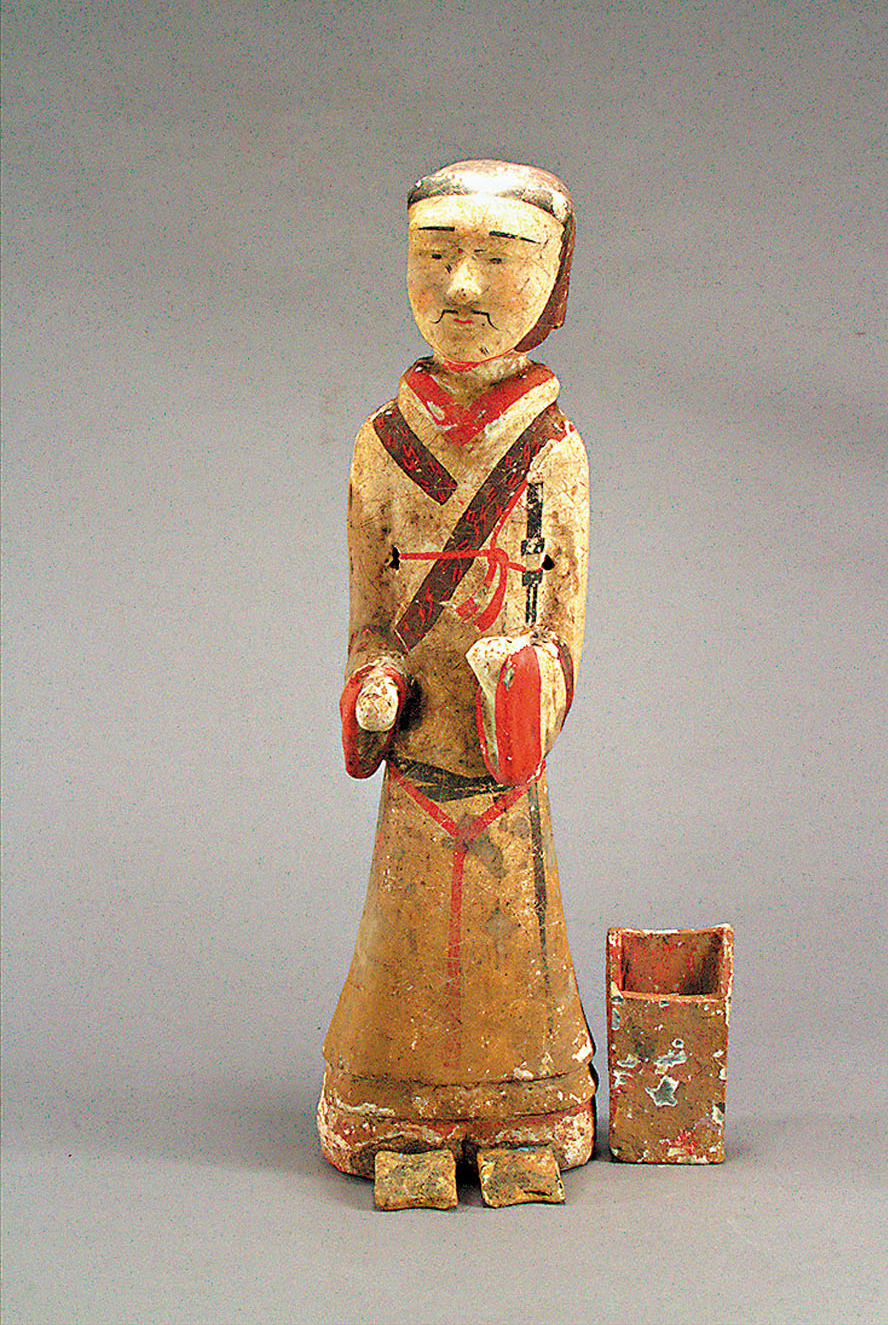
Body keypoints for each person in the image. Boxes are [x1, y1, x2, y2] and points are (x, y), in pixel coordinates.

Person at [318, 161, 595, 1183]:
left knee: (516, 937)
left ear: (553, 282)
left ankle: (531, 1112)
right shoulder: (381, 446)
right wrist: (374, 687)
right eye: (434, 256)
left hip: (502, 769)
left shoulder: (553, 449)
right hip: (417, 771)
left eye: (499, 258)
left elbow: (564, 629)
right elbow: (367, 622)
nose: (462, 287)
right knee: (404, 943)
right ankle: (393, 1113)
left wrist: (525, 679)